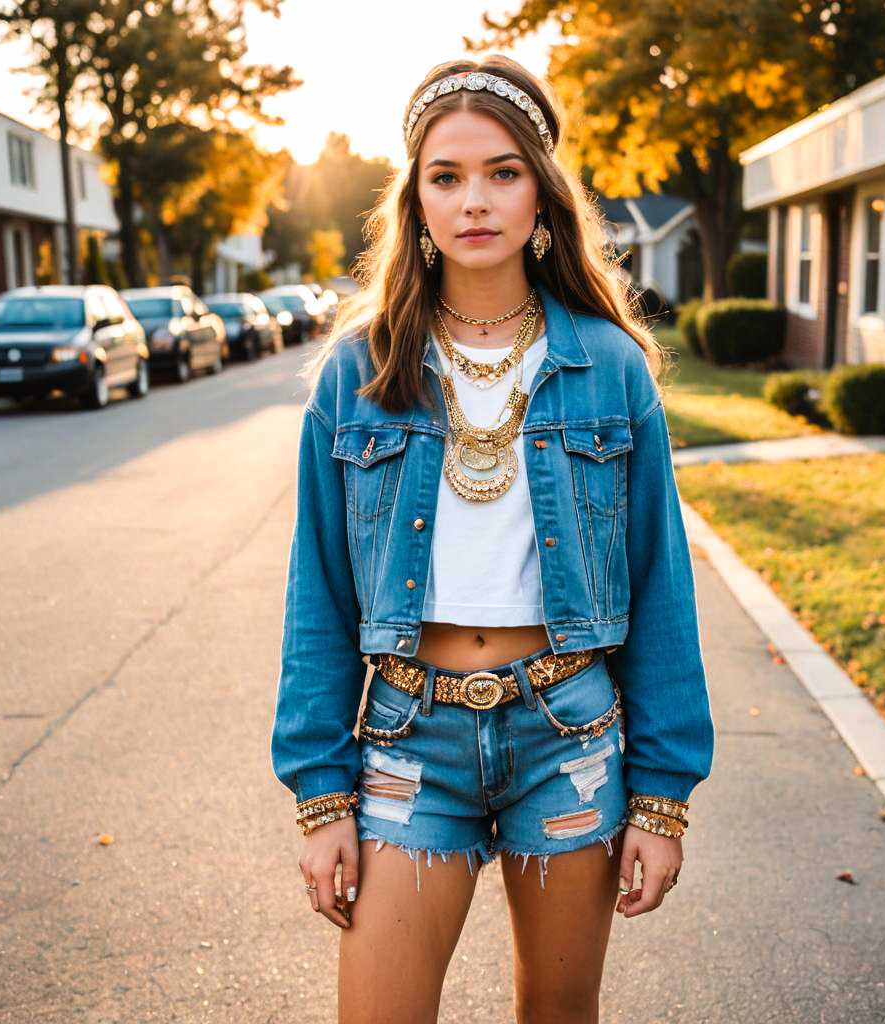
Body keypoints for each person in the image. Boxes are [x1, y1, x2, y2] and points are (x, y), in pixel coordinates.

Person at [270, 54, 715, 1024]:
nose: (474, 198)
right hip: (405, 743)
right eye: (447, 175)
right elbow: (319, 596)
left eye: (502, 171)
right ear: (416, 203)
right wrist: (320, 794)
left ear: (541, 195)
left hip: (567, 737)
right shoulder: (358, 372)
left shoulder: (607, 367)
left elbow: (659, 586)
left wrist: (661, 799)